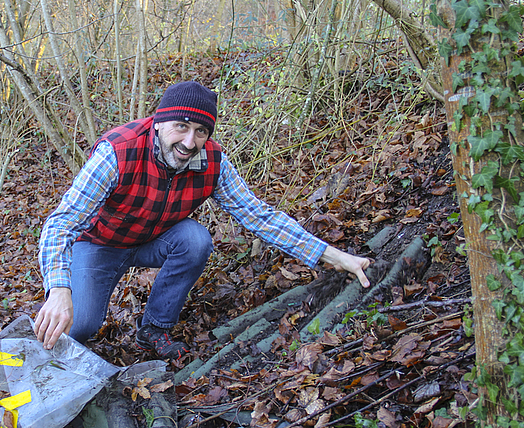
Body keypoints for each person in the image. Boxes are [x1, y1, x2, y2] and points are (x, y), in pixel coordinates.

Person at [34, 81, 371, 360]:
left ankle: (154, 328)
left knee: (195, 240)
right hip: (100, 244)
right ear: (158, 121)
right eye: (181, 126)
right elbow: (60, 224)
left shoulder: (212, 162)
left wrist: (332, 255)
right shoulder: (118, 152)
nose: (188, 142)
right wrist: (59, 290)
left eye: (200, 131)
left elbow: (259, 216)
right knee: (78, 327)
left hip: (156, 239)